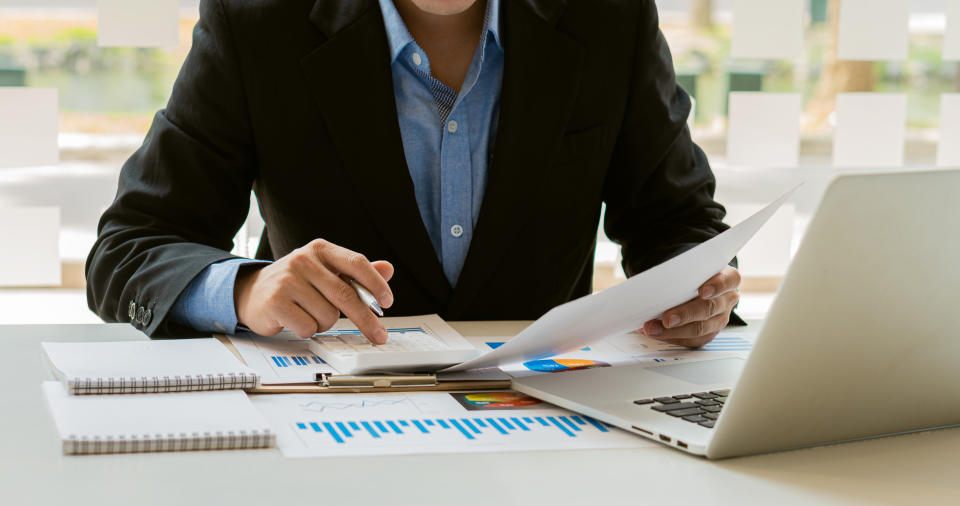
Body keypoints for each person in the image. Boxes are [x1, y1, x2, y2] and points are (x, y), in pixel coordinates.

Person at [86, 0, 743, 349]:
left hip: (547, 416)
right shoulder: (259, 21)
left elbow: (676, 223)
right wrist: (247, 291)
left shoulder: (608, 18)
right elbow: (129, 250)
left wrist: (696, 293)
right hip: (333, 423)